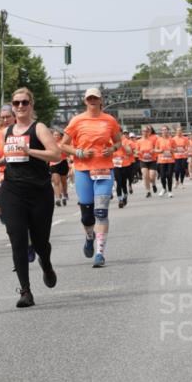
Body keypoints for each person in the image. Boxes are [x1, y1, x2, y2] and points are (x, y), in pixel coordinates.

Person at [0, 87, 61, 306]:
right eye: (16, 103)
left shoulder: (38, 128)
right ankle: (25, 291)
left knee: (41, 242)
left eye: (24, 102)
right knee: (18, 240)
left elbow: (56, 154)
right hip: (12, 191)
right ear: (12, 107)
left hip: (39, 191)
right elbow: (4, 156)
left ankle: (47, 263)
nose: (20, 107)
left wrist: (30, 151)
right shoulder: (6, 131)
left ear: (31, 105)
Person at [60, 87, 123, 267]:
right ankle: (89, 237)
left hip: (104, 170)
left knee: (101, 212)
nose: (92, 101)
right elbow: (63, 145)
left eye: (95, 98)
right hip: (83, 170)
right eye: (89, 99)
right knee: (87, 216)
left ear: (101, 100)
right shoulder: (77, 120)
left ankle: (100, 253)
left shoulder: (109, 120)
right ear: (85, 101)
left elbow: (118, 141)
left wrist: (111, 148)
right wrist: (78, 151)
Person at [49, 128, 69, 206]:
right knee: (56, 181)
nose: (56, 136)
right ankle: (57, 198)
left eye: (57, 135)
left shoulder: (63, 143)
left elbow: (68, 154)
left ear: (61, 136)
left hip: (63, 163)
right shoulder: (50, 144)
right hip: (53, 164)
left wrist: (62, 150)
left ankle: (64, 195)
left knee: (63, 181)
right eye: (54, 135)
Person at [137, 125, 159, 198]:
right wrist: (139, 152)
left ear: (149, 132)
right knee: (145, 176)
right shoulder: (139, 141)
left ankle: (153, 184)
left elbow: (156, 148)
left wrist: (153, 151)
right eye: (143, 131)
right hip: (143, 160)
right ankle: (148, 191)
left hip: (152, 160)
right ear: (141, 132)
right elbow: (135, 151)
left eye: (146, 131)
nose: (145, 132)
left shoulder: (152, 140)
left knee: (152, 176)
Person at [155, 125, 176, 197]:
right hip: (161, 160)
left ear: (168, 131)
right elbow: (155, 149)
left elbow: (175, 149)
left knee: (169, 175)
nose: (164, 131)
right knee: (163, 176)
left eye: (165, 130)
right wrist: (159, 150)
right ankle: (164, 188)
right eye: (163, 130)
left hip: (170, 160)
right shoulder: (158, 140)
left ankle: (170, 191)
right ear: (161, 132)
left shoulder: (172, 140)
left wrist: (172, 150)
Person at [172, 124, 188, 188]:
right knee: (176, 169)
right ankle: (176, 181)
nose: (179, 132)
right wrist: (174, 150)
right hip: (176, 156)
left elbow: (187, 147)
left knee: (182, 169)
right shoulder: (173, 139)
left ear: (182, 131)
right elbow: (171, 147)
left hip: (183, 156)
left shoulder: (185, 138)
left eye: (180, 130)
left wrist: (186, 151)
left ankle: (181, 182)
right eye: (178, 131)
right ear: (176, 131)